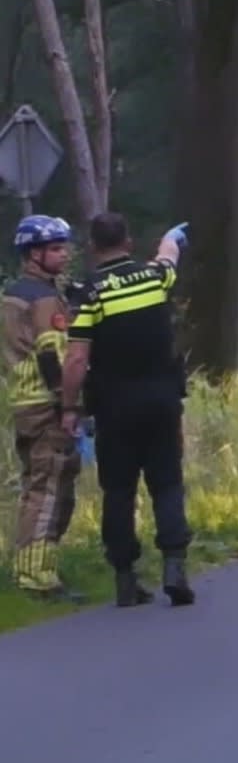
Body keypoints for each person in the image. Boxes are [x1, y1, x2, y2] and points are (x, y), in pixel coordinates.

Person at [59, 214, 194, 608]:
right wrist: (171, 238)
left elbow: (76, 360)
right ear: (129, 243)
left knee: (118, 489)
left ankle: (124, 577)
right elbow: (169, 258)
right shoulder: (154, 278)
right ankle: (175, 567)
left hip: (114, 406)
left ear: (92, 247)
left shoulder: (88, 293)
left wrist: (70, 407)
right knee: (167, 482)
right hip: (162, 399)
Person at [3, 215, 84, 601]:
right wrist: (69, 404)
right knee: (51, 490)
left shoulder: (13, 294)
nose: (64, 254)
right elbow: (54, 355)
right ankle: (38, 579)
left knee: (36, 486)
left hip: (23, 403)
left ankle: (30, 568)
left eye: (64, 246)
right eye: (55, 248)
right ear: (33, 254)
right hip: (48, 405)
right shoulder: (43, 297)